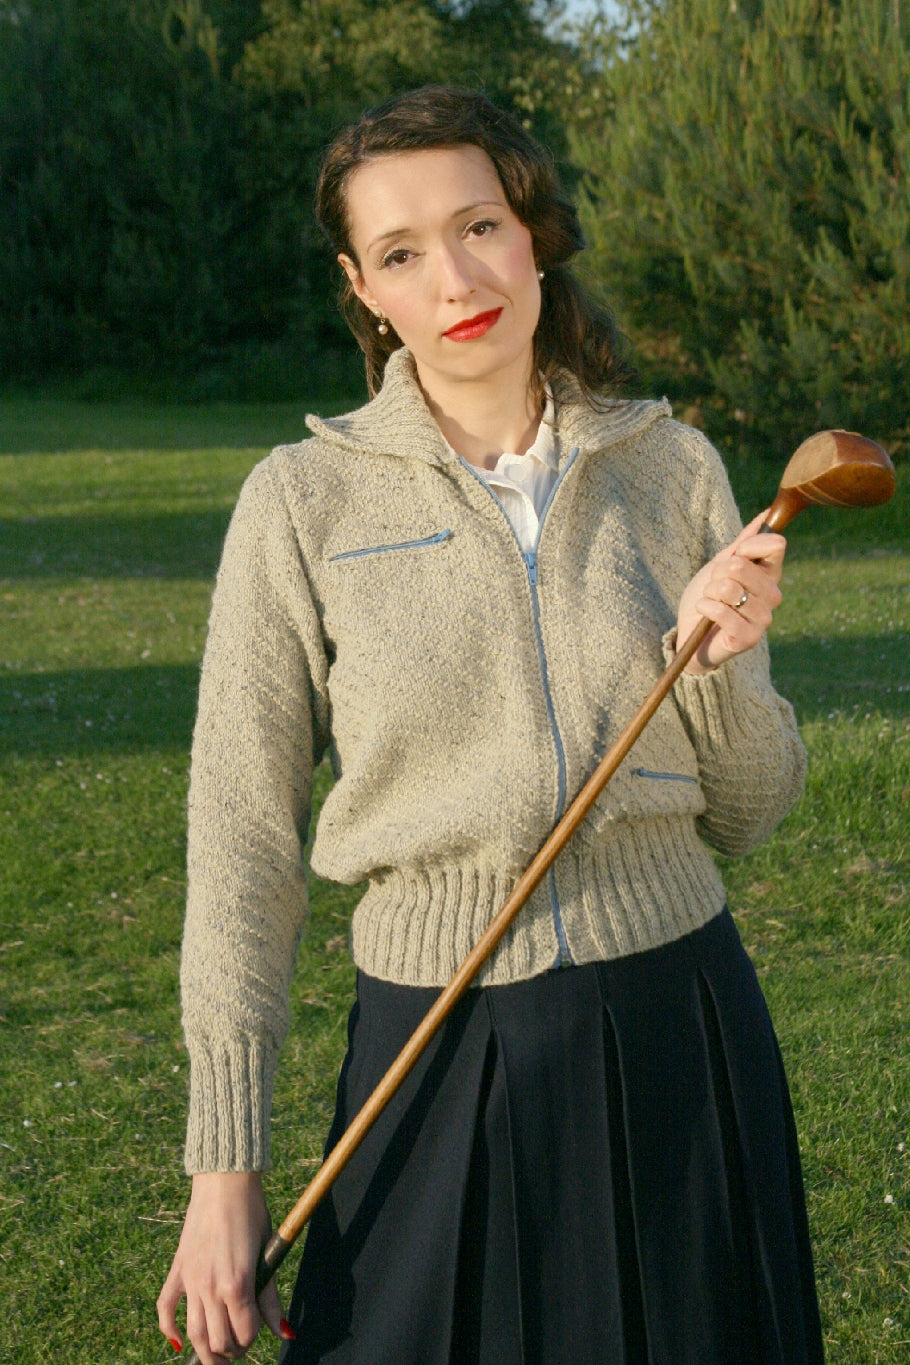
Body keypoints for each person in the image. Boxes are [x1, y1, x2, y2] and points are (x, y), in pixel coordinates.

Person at [158, 86, 824, 1365]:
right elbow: (241, 841)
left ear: (533, 237)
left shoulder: (669, 467)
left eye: (480, 226)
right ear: (364, 289)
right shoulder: (300, 503)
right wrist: (223, 1166)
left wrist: (719, 664)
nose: (455, 275)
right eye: (404, 252)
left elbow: (749, 811)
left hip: (676, 1016)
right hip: (433, 1034)